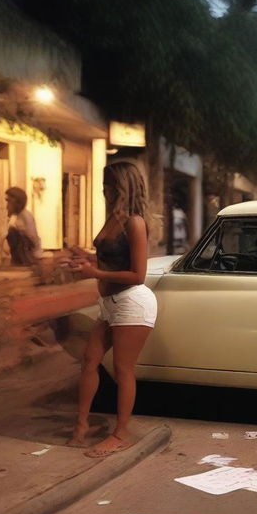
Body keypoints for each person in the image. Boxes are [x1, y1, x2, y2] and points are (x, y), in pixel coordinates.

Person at [66, 162, 157, 458]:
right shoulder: (113, 219)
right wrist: (87, 257)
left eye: (108, 185)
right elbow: (110, 257)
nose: (103, 190)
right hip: (110, 303)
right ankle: (80, 426)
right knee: (89, 360)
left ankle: (121, 434)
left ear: (120, 187)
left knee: (123, 369)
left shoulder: (135, 222)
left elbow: (138, 274)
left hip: (132, 300)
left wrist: (95, 273)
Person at [5, 187, 42, 265]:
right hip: (26, 253)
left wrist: (35, 254)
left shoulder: (25, 216)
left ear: (16, 202)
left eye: (9, 202)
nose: (7, 206)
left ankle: (21, 261)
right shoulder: (18, 216)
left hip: (30, 255)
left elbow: (32, 238)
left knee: (12, 232)